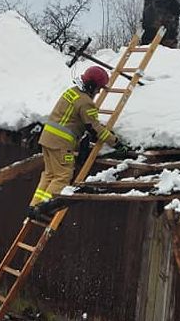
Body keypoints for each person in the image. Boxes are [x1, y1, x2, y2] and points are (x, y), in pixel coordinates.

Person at [28, 66, 127, 219]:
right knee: (62, 176)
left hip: (47, 139)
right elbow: (95, 129)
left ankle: (34, 206)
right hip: (61, 144)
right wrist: (116, 143)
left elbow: (74, 118)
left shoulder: (72, 92)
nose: (99, 92)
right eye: (98, 88)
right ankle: (44, 208)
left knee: (49, 175)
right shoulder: (86, 102)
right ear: (92, 86)